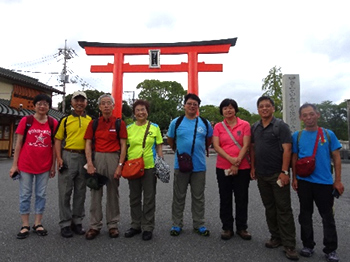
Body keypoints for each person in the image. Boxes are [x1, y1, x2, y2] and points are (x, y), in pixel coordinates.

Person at [291, 103, 344, 262]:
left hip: (324, 183)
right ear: (301, 118)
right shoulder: (297, 136)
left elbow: (336, 158)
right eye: (305, 115)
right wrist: (294, 177)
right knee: (305, 214)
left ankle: (330, 249)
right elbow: (294, 158)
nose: (308, 117)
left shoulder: (328, 135)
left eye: (311, 114)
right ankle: (308, 244)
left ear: (317, 115)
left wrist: (338, 181)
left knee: (327, 216)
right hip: (304, 182)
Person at [250, 96, 298, 260]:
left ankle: (289, 244)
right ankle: (275, 237)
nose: (264, 109)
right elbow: (253, 148)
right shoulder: (255, 127)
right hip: (262, 174)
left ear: (273, 108)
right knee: (269, 207)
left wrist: (285, 172)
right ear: (258, 109)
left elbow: (287, 149)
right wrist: (253, 167)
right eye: (261, 106)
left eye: (267, 106)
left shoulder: (280, 126)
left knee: (283, 209)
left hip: (278, 174)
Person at [9, 94, 58, 239]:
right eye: (39, 104)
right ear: (34, 105)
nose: (42, 106)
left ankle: (38, 223)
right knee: (25, 194)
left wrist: (53, 166)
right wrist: (14, 165)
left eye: (45, 104)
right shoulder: (26, 120)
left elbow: (55, 146)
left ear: (49, 107)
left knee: (41, 194)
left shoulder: (52, 122)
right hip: (25, 164)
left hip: (44, 164)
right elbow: (18, 144)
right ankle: (25, 224)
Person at [167, 93, 213, 237]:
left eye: (195, 104)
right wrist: (179, 151)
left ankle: (199, 224)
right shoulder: (177, 122)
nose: (192, 106)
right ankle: (176, 224)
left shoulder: (204, 123)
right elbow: (170, 139)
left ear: (198, 107)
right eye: (189, 103)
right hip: (180, 165)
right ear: (184, 105)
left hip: (199, 166)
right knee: (179, 196)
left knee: (198, 196)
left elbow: (209, 140)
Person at [84, 94, 127, 240]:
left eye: (109, 103)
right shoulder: (94, 123)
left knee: (113, 192)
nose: (106, 105)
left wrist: (120, 165)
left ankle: (113, 224)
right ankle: (94, 225)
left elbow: (123, 145)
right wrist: (90, 163)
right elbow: (88, 143)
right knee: (95, 191)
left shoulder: (119, 123)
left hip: (113, 157)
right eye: (103, 103)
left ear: (113, 106)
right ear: (99, 107)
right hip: (98, 157)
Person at [124, 100, 163, 241]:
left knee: (149, 198)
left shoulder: (155, 127)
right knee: (134, 197)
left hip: (149, 167)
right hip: (133, 167)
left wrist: (160, 161)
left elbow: (159, 146)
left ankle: (148, 227)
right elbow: (125, 147)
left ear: (147, 111)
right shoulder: (128, 128)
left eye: (143, 110)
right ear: (134, 113)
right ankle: (135, 225)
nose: (141, 112)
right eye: (138, 110)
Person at [212, 98, 251, 240]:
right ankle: (227, 227)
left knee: (242, 198)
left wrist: (236, 163)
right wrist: (230, 160)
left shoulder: (245, 124)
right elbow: (216, 146)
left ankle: (242, 227)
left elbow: (246, 145)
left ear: (235, 109)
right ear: (221, 111)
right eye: (225, 108)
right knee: (225, 197)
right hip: (223, 166)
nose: (228, 110)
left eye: (231, 107)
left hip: (243, 167)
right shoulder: (218, 127)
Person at [54, 91, 92, 238]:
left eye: (82, 100)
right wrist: (59, 158)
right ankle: (65, 223)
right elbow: (58, 140)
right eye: (77, 100)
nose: (79, 103)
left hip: (84, 156)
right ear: (72, 102)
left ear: (86, 103)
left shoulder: (91, 120)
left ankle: (77, 221)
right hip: (68, 155)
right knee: (65, 191)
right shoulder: (65, 120)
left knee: (81, 191)